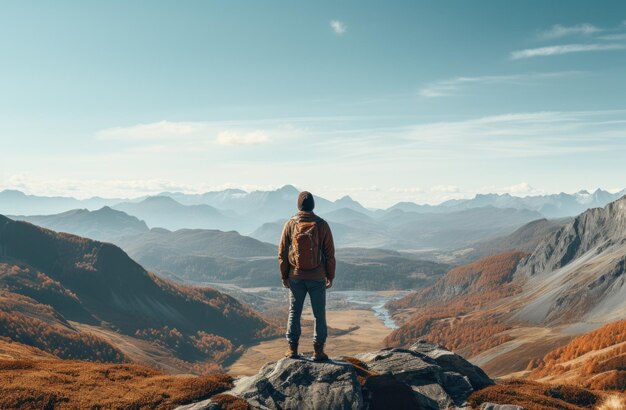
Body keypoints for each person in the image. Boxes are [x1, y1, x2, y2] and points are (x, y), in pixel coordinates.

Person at [278, 191, 336, 361]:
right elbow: (330, 254)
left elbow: (282, 253)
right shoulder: (322, 224)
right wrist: (330, 276)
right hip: (317, 276)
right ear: (313, 206)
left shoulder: (290, 224)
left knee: (294, 312)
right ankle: (318, 351)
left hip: (295, 276)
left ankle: (292, 349)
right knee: (319, 314)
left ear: (298, 206)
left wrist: (284, 276)